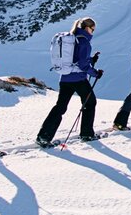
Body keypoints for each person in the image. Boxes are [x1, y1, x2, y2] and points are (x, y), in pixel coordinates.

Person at [35, 17, 104, 146]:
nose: (92, 32)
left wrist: (91, 60)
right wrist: (95, 73)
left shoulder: (72, 38)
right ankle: (87, 134)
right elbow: (82, 65)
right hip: (78, 79)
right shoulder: (84, 42)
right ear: (86, 28)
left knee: (60, 107)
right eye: (92, 29)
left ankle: (43, 136)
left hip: (65, 78)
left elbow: (76, 59)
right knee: (90, 102)